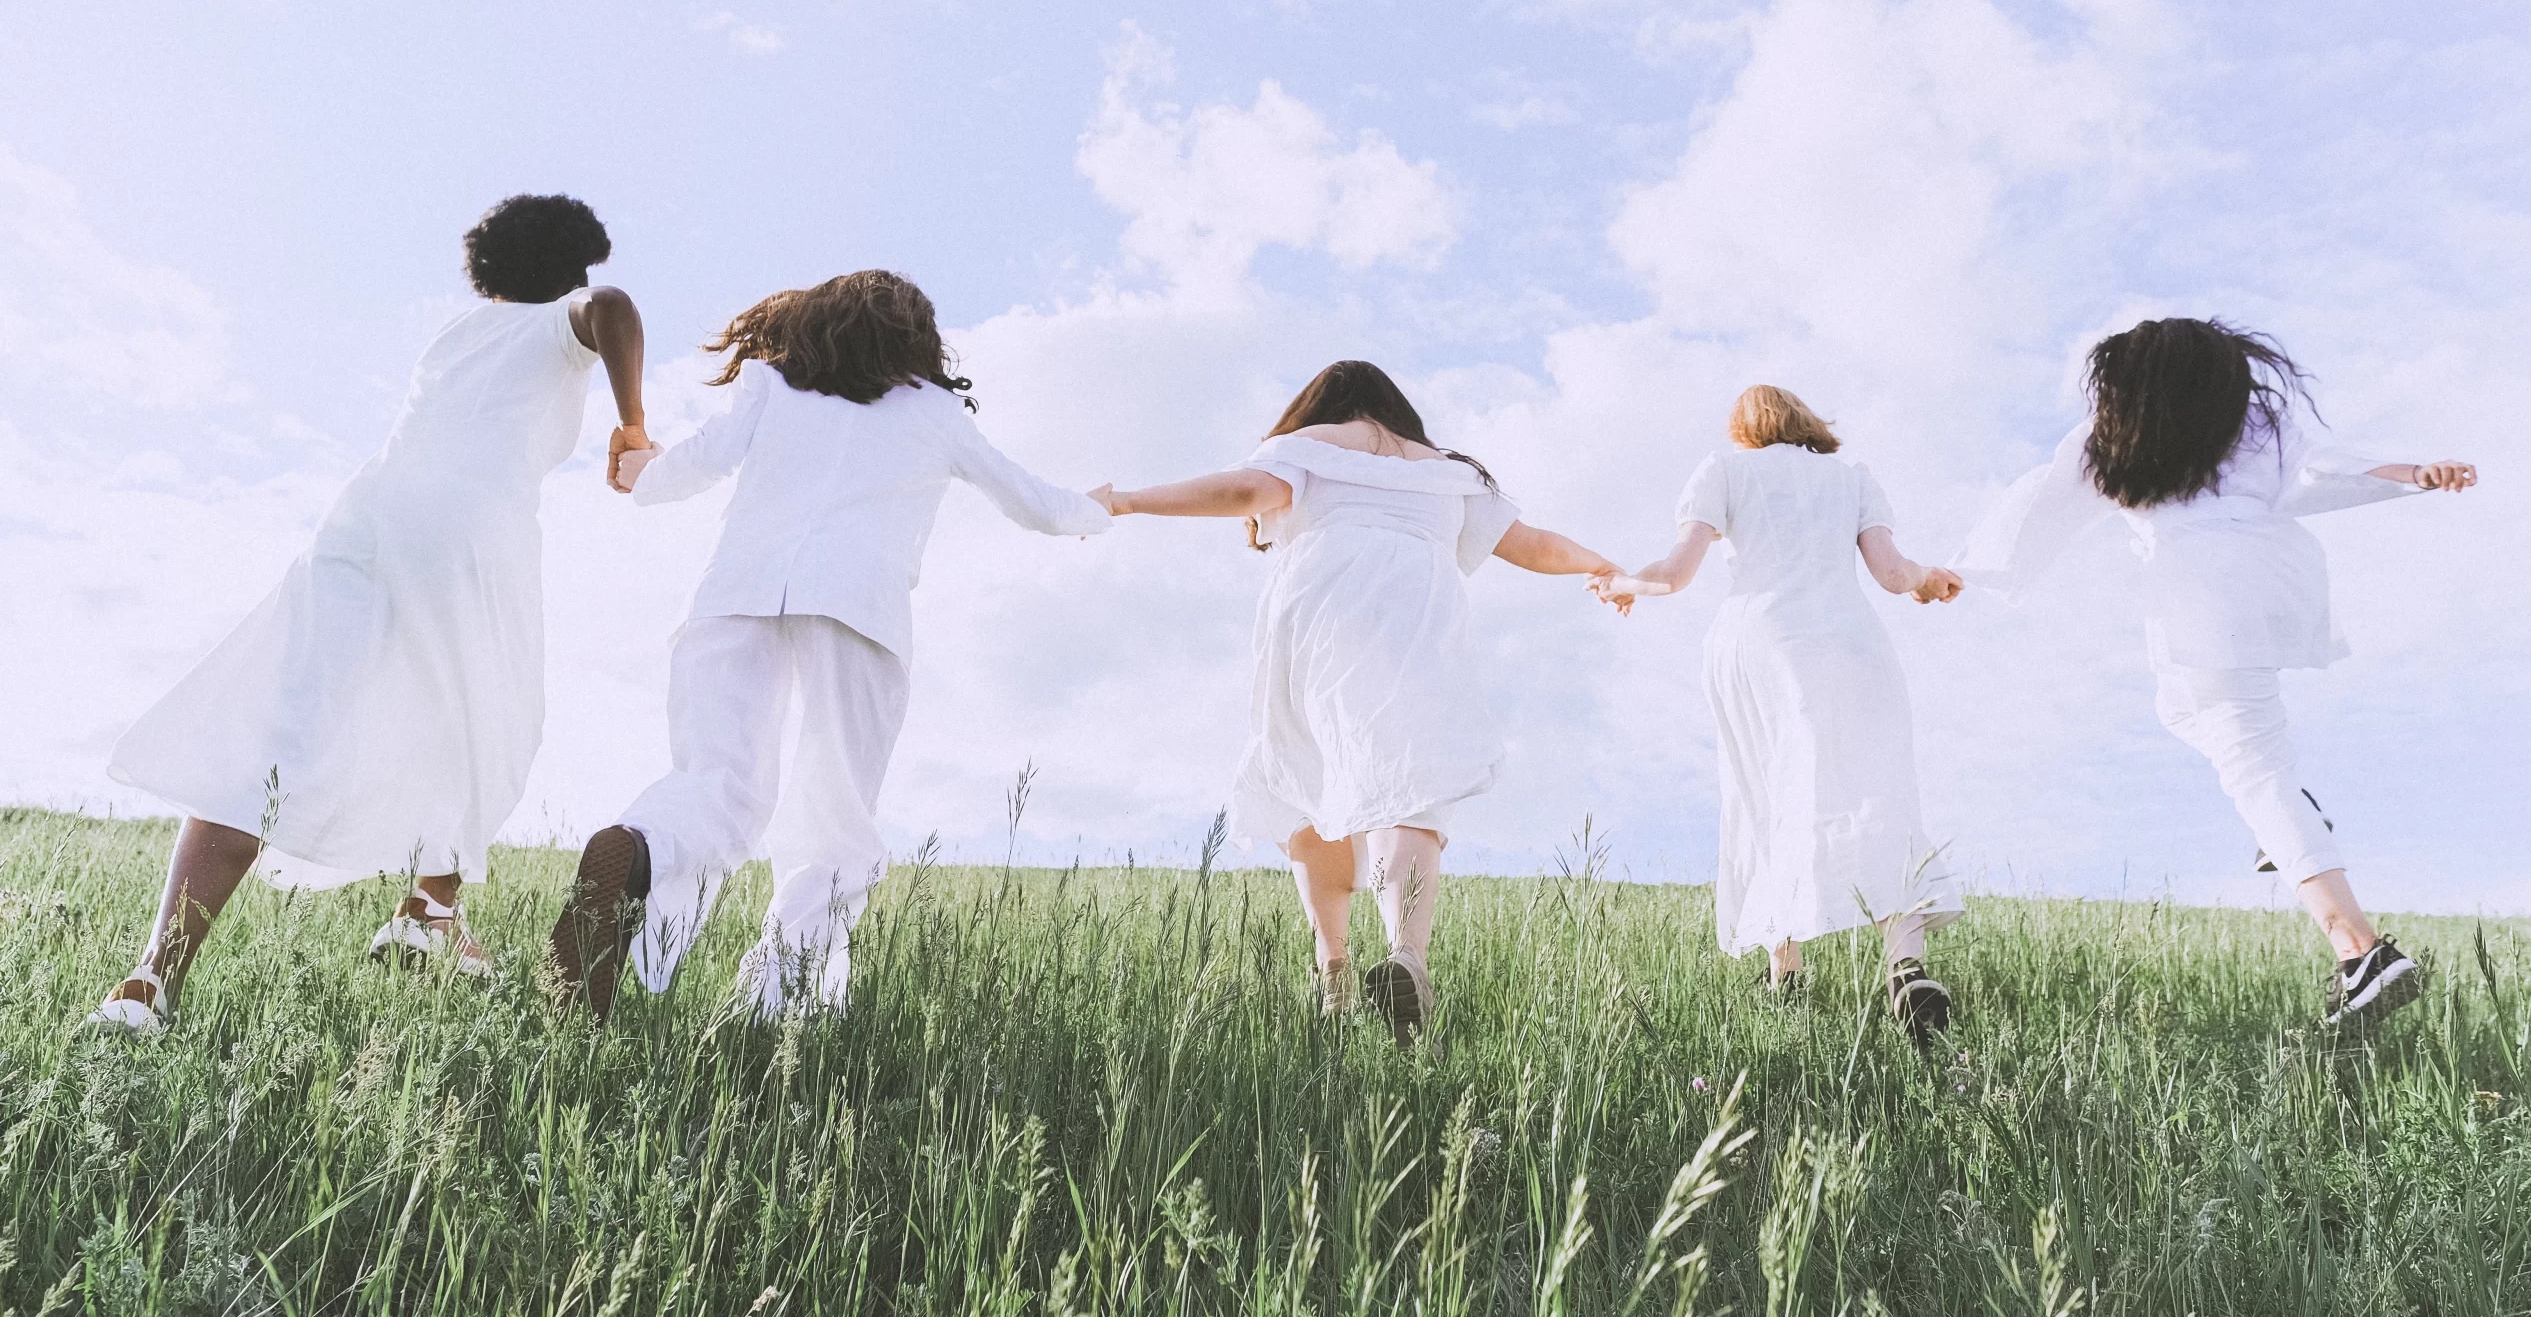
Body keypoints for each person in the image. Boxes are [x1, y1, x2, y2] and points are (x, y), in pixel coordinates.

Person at [93, 195, 649, 1031]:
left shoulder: (451, 340)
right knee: (482, 715)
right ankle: (431, 911)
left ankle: (149, 978)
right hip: (470, 534)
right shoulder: (557, 322)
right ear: (567, 270)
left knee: (274, 737)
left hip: (366, 520)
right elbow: (611, 309)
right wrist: (634, 424)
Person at [549, 270, 1108, 1021]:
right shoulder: (937, 411)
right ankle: (777, 1016)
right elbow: (1032, 501)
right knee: (832, 821)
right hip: (858, 609)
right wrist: (1098, 511)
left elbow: (691, 464)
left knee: (721, 783)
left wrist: (637, 470)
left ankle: (639, 847)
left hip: (734, 597)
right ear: (920, 341)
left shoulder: (770, 385)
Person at [1956, 317, 2476, 1026]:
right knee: (2189, 716)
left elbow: (2041, 501)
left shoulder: (2114, 437)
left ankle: (2360, 952)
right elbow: (2324, 464)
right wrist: (2414, 473)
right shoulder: (2252, 425)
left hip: (2197, 598)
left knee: (2251, 765)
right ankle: (2293, 810)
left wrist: (1960, 572)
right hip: (2269, 582)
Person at [1090, 360, 1625, 1048]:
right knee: (1408, 793)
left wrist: (1128, 500)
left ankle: (1333, 965)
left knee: (1308, 784)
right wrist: (1606, 568)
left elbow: (1239, 488)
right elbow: (1534, 544)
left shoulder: (1308, 447)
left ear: (1321, 406)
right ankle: (1407, 952)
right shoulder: (1449, 472)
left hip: (1320, 624)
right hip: (1419, 629)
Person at [1592, 386, 1965, 1040]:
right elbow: (1894, 572)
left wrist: (1620, 583)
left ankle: (1784, 970)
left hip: (1759, 640)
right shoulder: (1851, 477)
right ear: (1806, 423)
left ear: (1744, 428)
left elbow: (1675, 573)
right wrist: (1932, 579)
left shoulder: (1726, 468)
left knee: (1766, 791)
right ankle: (1906, 966)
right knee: (1879, 790)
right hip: (1853, 641)